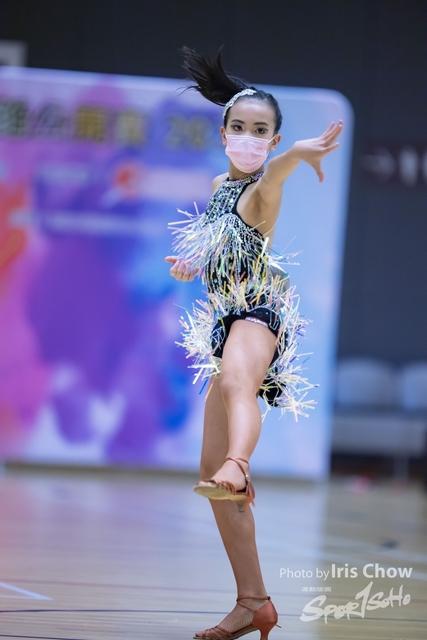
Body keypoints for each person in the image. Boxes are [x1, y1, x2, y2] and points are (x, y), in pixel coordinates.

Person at [164, 47, 342, 640]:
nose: (248, 137)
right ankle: (254, 602)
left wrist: (296, 155)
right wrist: (191, 264)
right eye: (239, 127)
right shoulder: (219, 184)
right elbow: (220, 238)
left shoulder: (267, 186)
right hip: (224, 318)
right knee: (208, 472)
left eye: (260, 131)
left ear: (273, 140)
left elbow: (277, 175)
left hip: (260, 311)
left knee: (238, 388)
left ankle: (240, 464)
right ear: (223, 133)